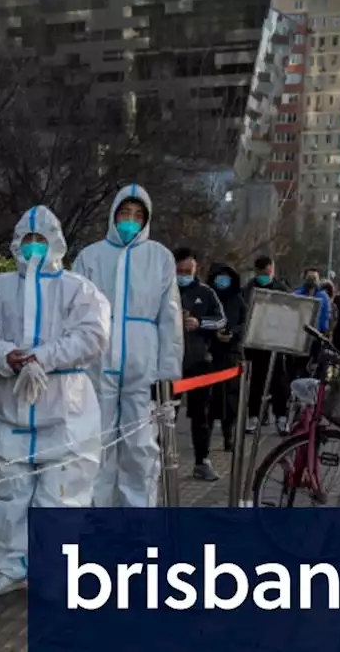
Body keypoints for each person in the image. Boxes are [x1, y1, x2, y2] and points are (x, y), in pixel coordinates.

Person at [0, 205, 110, 595]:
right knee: (9, 495)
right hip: (9, 404)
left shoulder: (79, 290)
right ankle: (10, 566)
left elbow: (93, 336)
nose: (33, 248)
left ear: (55, 243)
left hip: (65, 407)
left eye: (40, 241)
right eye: (27, 241)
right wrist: (6, 355)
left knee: (61, 496)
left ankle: (54, 571)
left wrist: (45, 356)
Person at [74, 184, 183, 507]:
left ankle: (137, 521)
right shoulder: (90, 256)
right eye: (125, 213)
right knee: (96, 442)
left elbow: (170, 318)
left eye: (138, 215)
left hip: (143, 365)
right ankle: (96, 515)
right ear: (113, 214)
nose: (131, 220)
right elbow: (74, 313)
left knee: (140, 446)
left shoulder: (159, 257)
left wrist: (168, 373)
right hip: (98, 361)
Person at [173, 248, 226, 481]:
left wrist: (200, 322)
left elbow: (221, 319)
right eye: (179, 271)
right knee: (163, 415)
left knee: (200, 416)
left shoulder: (205, 293)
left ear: (196, 269)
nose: (183, 275)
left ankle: (202, 461)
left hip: (198, 363)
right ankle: (156, 461)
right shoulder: (164, 290)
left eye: (188, 271)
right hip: (169, 364)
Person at [241, 256, 291, 434]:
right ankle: (253, 417)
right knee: (256, 382)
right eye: (261, 273)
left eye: (268, 273)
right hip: (255, 343)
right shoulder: (247, 290)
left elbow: (290, 312)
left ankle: (281, 417)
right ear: (256, 272)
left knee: (279, 382)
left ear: (273, 271)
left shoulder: (281, 289)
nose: (265, 276)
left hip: (275, 342)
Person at [208, 261, 247, 452]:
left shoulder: (237, 299)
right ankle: (204, 439)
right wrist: (213, 332)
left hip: (231, 353)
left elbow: (245, 322)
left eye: (226, 277)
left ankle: (228, 435)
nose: (222, 281)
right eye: (219, 277)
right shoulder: (208, 297)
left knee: (231, 396)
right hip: (210, 354)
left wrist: (234, 333)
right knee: (210, 397)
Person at [293, 267, 333, 376]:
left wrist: (324, 332)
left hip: (316, 336)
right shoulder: (297, 294)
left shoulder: (323, 297)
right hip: (299, 336)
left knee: (315, 365)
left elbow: (326, 316)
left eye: (314, 277)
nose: (312, 280)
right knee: (298, 365)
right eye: (309, 277)